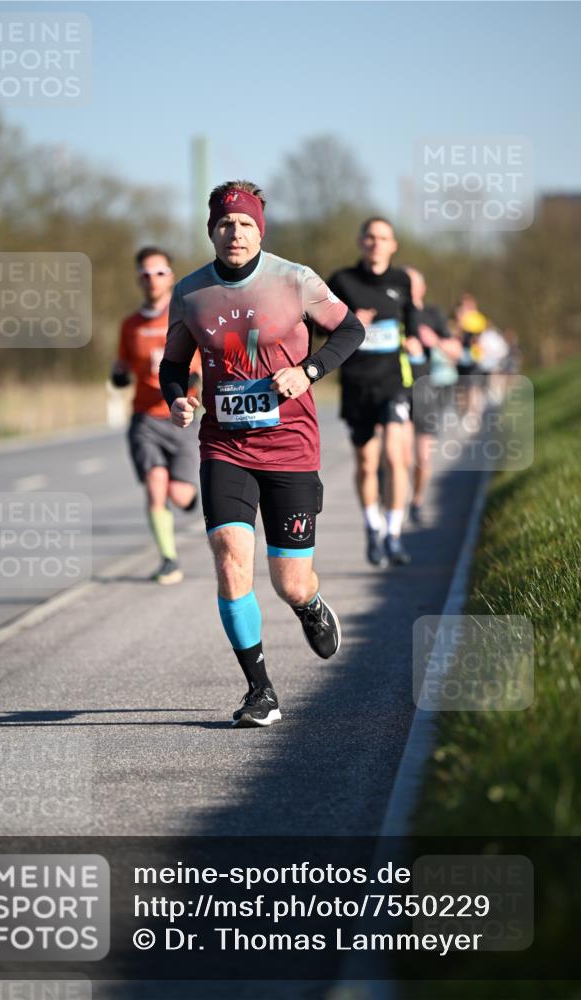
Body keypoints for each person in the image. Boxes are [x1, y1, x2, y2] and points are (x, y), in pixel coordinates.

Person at [159, 180, 364, 727]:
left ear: (260, 231)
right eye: (225, 224)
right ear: (211, 231)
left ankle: (309, 605)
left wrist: (309, 370)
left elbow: (350, 330)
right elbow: (173, 364)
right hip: (224, 445)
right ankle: (260, 691)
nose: (236, 232)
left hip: (291, 447)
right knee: (230, 559)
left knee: (289, 581)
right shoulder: (191, 293)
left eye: (246, 223)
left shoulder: (295, 280)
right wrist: (177, 397)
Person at [328, 218, 422, 567]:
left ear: (393, 245)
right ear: (360, 241)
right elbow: (319, 326)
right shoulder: (342, 281)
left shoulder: (401, 280)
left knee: (397, 457)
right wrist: (350, 322)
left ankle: (394, 534)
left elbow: (411, 318)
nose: (376, 243)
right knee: (367, 463)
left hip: (392, 382)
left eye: (383, 238)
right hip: (357, 383)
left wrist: (415, 339)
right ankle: (373, 526)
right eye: (370, 237)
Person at [111, 246, 201, 585]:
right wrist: (119, 375)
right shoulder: (130, 325)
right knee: (154, 484)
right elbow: (122, 366)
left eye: (159, 273)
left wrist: (192, 383)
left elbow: (200, 365)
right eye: (146, 274)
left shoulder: (186, 317)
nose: (152, 280)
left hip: (181, 418)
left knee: (179, 494)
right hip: (145, 419)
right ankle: (168, 560)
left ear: (171, 277)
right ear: (139, 279)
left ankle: (189, 500)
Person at [404, 267, 461, 524]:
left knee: (422, 456)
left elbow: (456, 351)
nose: (408, 288)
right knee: (400, 455)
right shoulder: (394, 313)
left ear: (422, 288)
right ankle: (396, 498)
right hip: (397, 389)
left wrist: (434, 340)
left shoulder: (432, 314)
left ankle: (416, 500)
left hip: (426, 391)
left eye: (412, 283)